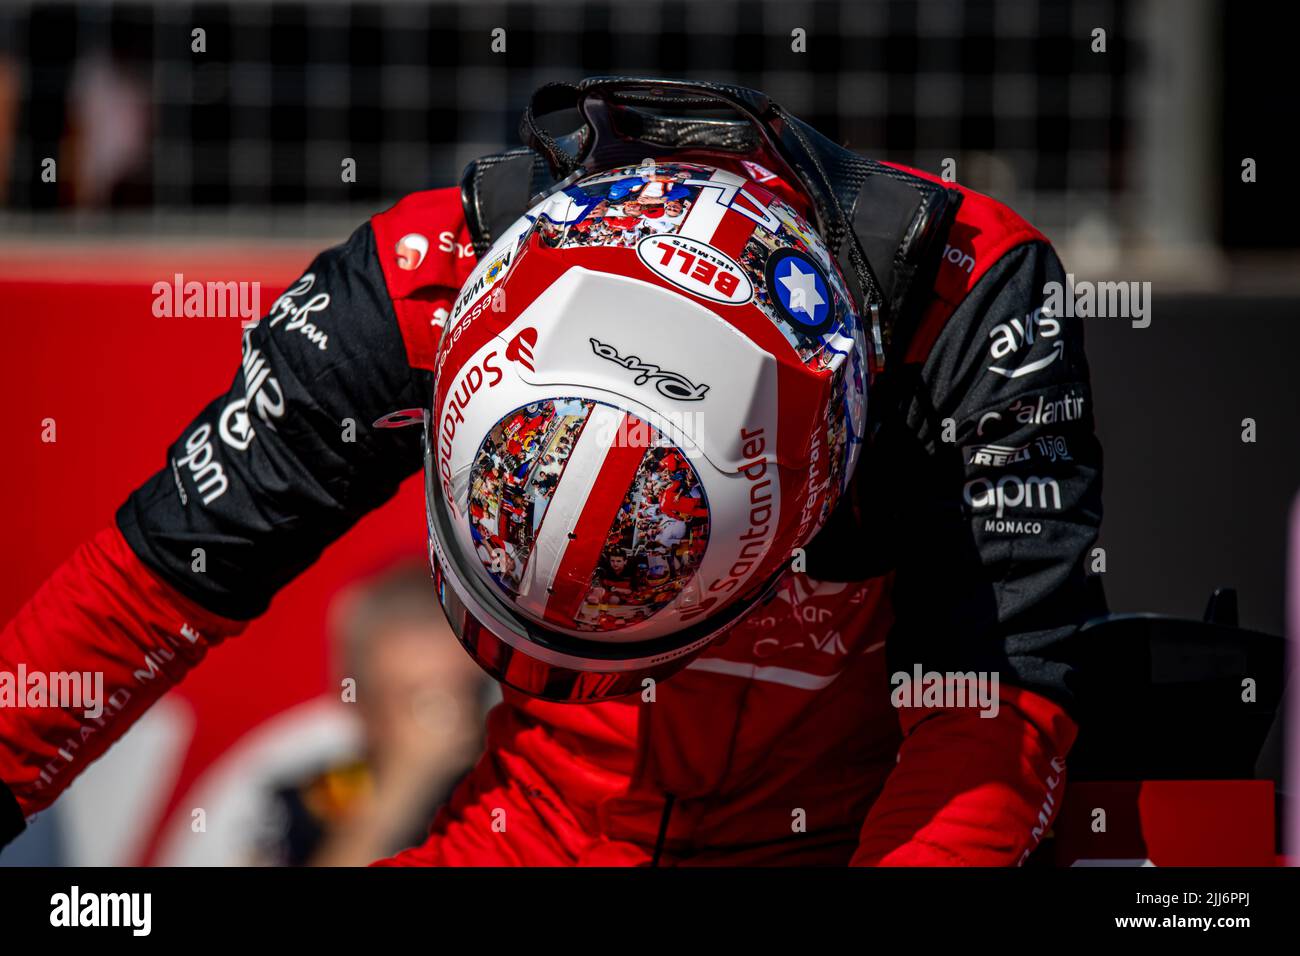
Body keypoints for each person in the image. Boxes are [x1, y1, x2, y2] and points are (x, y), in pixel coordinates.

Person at [0, 79, 1102, 866]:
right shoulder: (410, 282)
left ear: (814, 474)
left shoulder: (966, 317)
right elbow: (145, 588)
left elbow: (990, 726)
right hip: (532, 832)